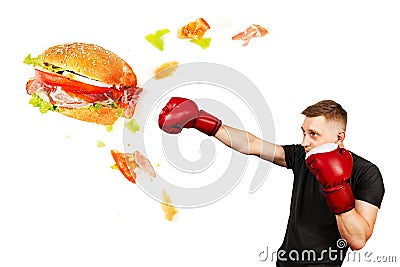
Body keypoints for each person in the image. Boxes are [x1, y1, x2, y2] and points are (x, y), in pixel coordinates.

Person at [158, 97, 385, 266]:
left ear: (339, 137)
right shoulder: (302, 157)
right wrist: (202, 122)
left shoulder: (366, 173)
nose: (304, 141)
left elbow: (357, 240)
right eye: (303, 132)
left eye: (313, 134)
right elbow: (254, 145)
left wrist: (336, 188)